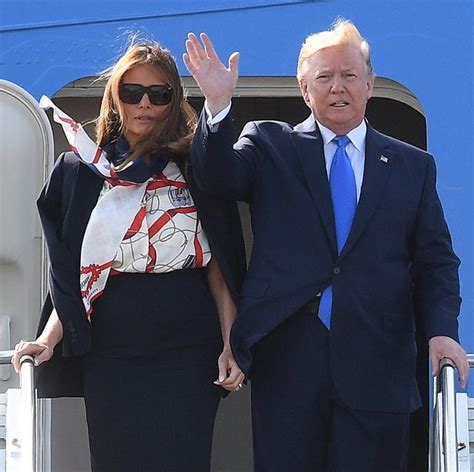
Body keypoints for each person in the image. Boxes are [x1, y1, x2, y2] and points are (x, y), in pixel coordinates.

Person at [183, 19, 470, 472]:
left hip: (380, 363)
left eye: (349, 75)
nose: (338, 86)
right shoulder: (268, 143)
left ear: (370, 85)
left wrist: (442, 331)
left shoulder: (413, 166)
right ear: (304, 87)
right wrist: (218, 104)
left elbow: (436, 260)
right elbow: (217, 177)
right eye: (324, 77)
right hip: (290, 361)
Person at [12, 39, 246, 472]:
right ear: (114, 96)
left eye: (159, 94)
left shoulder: (196, 166)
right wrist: (47, 341)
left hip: (188, 350)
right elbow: (77, 275)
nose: (145, 103)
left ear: (175, 101)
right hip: (112, 351)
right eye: (132, 91)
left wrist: (232, 342)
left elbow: (219, 264)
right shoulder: (81, 169)